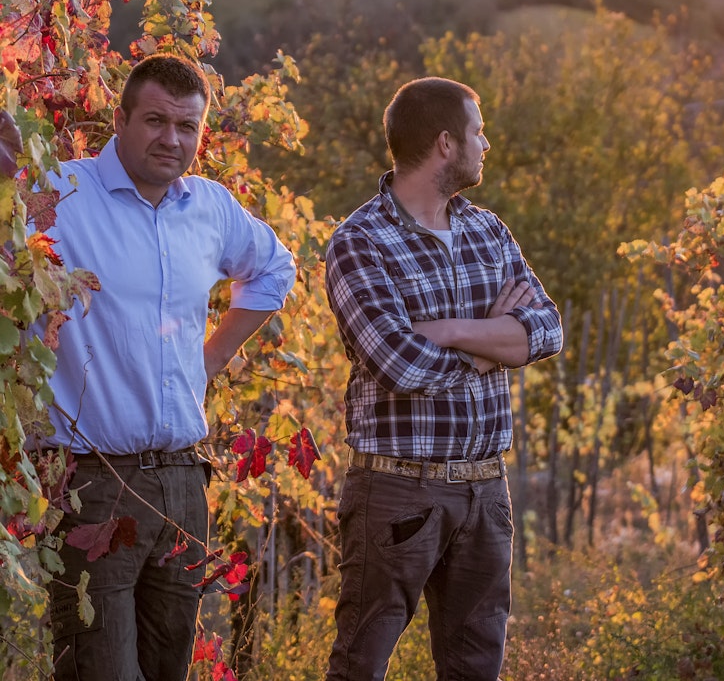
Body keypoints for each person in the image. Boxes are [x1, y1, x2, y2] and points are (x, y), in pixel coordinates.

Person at [35, 54, 296, 681]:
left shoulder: (209, 207)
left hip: (183, 483)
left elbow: (275, 270)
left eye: (187, 126)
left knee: (168, 667)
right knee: (98, 669)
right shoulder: (61, 195)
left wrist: (209, 360)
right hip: (92, 486)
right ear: (120, 120)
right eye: (155, 121)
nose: (171, 139)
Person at [324, 76, 563, 681]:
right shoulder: (360, 242)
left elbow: (547, 329)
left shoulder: (488, 230)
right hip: (398, 492)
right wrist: (495, 341)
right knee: (360, 665)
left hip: (485, 492)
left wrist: (454, 330)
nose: (489, 143)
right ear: (446, 144)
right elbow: (402, 364)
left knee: (476, 668)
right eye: (479, 132)